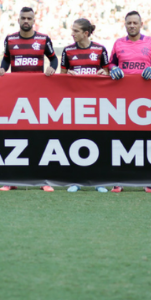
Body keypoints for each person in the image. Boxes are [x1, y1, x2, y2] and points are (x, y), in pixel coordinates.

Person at [0, 7, 58, 192]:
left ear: (34, 20)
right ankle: (11, 180)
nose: (26, 21)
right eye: (23, 18)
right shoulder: (10, 39)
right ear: (18, 19)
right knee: (14, 136)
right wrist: (2, 69)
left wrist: (52, 68)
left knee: (38, 137)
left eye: (29, 18)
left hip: (37, 96)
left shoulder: (43, 39)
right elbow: (6, 60)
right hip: (16, 95)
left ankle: (42, 180)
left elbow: (54, 60)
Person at [108, 11, 151, 193]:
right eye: (129, 23)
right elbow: (110, 63)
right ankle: (119, 180)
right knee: (122, 138)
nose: (132, 25)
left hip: (145, 98)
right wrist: (114, 69)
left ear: (141, 24)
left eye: (135, 22)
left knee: (144, 138)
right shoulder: (118, 43)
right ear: (125, 25)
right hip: (123, 97)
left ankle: (146, 180)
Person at [60, 18, 110, 193]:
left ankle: (99, 181)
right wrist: (68, 76)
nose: (72, 33)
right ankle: (77, 180)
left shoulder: (100, 50)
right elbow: (62, 77)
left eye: (75, 31)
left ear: (86, 33)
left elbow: (108, 73)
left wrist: (105, 73)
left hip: (97, 103)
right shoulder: (67, 51)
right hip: (76, 104)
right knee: (76, 140)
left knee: (98, 140)